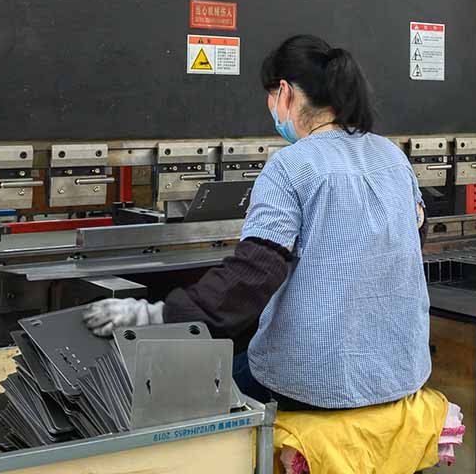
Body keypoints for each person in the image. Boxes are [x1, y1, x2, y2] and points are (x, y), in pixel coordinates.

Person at [83, 35, 430, 411]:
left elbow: (255, 273)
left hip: (316, 379)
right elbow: (414, 233)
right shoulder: (392, 156)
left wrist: (155, 315)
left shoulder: (291, 166)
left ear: (285, 92)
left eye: (270, 95)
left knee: (190, 397)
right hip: (401, 371)